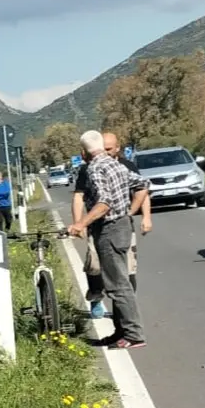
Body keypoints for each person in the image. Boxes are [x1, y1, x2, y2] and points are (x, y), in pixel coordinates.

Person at [67, 130, 148, 349]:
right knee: (121, 280)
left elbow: (104, 203)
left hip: (108, 229)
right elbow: (142, 184)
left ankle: (133, 334)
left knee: (118, 285)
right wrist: (130, 211)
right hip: (122, 226)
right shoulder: (117, 164)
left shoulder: (95, 168)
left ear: (84, 152)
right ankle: (120, 332)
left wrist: (81, 223)